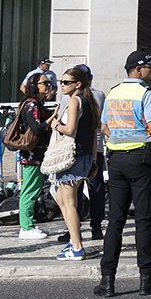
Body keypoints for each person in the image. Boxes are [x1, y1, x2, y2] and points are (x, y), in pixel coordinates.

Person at [96, 50, 151, 297]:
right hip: (140, 161)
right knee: (143, 221)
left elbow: (104, 126)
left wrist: (120, 138)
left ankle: (107, 281)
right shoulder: (145, 93)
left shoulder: (113, 92)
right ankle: (146, 278)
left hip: (116, 160)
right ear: (139, 70)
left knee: (115, 222)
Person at [51, 65, 99, 262]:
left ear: (78, 84)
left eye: (66, 82)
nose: (61, 85)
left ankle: (77, 247)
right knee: (61, 198)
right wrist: (94, 161)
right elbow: (94, 134)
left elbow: (70, 129)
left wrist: (55, 125)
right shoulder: (89, 101)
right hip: (85, 155)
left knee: (69, 202)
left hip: (73, 156)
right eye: (61, 82)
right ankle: (73, 239)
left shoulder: (74, 101)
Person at [13, 71, 54, 241]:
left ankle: (27, 224)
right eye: (44, 83)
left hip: (37, 154)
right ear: (34, 87)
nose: (48, 86)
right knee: (29, 190)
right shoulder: (31, 105)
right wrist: (53, 118)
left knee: (34, 189)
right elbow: (36, 129)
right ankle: (26, 227)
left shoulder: (36, 104)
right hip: (33, 155)